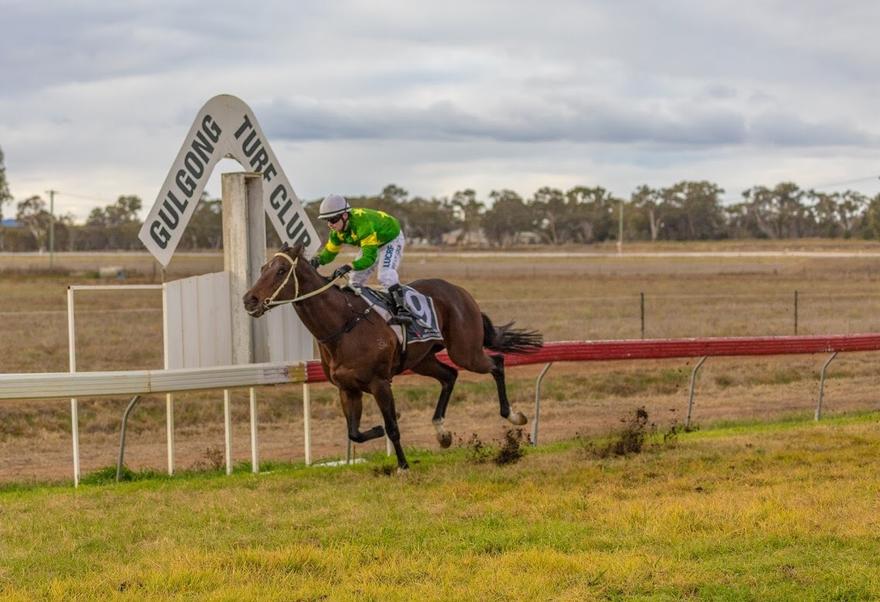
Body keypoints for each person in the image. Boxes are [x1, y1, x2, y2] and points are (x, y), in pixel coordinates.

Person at [310, 193, 414, 325]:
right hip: (374, 242)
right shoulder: (336, 232)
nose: (330, 224)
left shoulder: (362, 225)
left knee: (385, 275)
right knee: (354, 280)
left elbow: (369, 258)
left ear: (345, 215)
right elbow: (329, 253)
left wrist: (348, 265)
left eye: (333, 219)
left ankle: (403, 311)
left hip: (391, 239)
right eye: (327, 220)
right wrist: (317, 261)